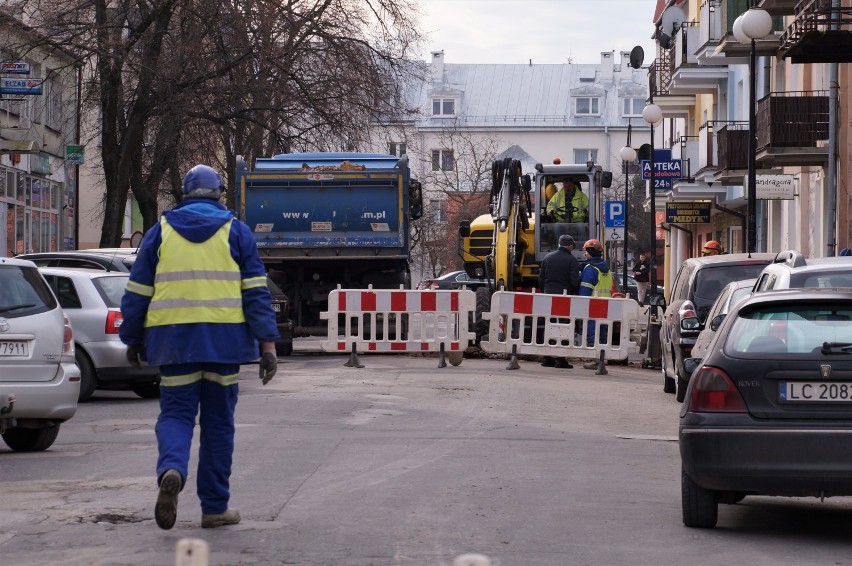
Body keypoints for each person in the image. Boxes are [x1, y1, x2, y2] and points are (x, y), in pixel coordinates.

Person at [119, 164, 281, 530]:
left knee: (176, 415)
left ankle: (172, 469)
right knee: (218, 425)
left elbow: (137, 292)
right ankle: (214, 507)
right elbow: (257, 294)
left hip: (173, 344)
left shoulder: (159, 233)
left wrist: (132, 338)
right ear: (218, 193)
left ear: (185, 193)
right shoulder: (236, 232)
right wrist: (267, 345)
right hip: (224, 346)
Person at [538, 234, 581, 369]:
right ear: (569, 246)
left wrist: (545, 291)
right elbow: (574, 282)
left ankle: (547, 357)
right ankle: (561, 359)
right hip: (564, 297)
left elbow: (541, 278)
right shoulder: (571, 260)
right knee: (563, 327)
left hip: (548, 296)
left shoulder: (547, 258)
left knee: (549, 325)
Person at [578, 239, 613, 369]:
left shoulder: (590, 268)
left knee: (592, 332)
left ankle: (596, 360)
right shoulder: (606, 269)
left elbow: (585, 289)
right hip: (605, 305)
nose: (584, 254)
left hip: (592, 305)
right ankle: (602, 359)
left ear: (589, 252)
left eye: (585, 251)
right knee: (602, 332)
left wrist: (580, 305)